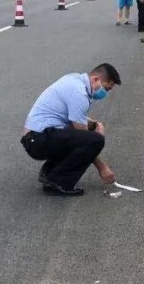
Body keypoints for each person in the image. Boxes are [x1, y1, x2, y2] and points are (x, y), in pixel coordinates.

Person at [20, 64, 121, 196]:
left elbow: (76, 123)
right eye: (106, 89)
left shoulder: (74, 79)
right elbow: (83, 136)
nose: (105, 93)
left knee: (79, 136)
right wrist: (102, 167)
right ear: (96, 79)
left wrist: (94, 124)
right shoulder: (79, 93)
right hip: (38, 140)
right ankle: (58, 181)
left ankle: (49, 173)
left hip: (34, 138)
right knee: (94, 140)